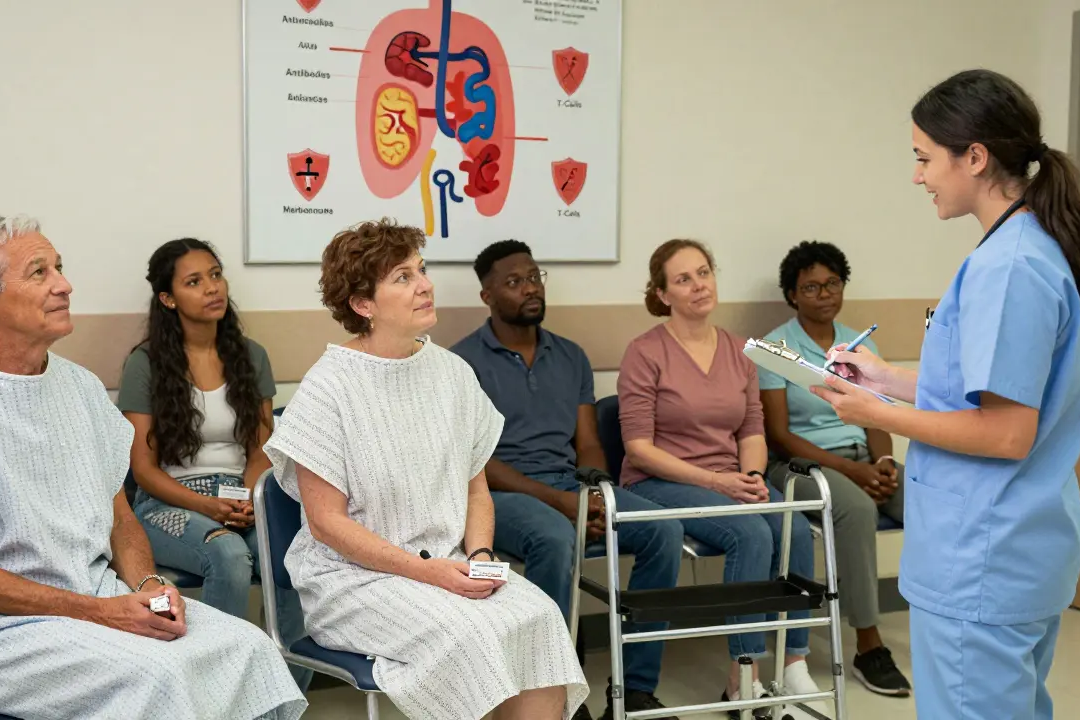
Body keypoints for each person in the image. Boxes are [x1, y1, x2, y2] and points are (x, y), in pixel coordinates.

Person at [0, 215, 307, 720]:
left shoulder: (79, 388)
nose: (64, 283)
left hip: (98, 599)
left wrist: (148, 588)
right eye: (39, 272)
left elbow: (118, 517)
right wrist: (102, 611)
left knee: (249, 649)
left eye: (59, 267)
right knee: (159, 678)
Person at [813, 70, 1080, 719]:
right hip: (1015, 548)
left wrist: (880, 414)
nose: (917, 176)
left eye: (924, 158)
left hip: (981, 557)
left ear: (974, 157)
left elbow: (1006, 434)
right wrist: (884, 379)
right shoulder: (1027, 247)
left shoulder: (1007, 269)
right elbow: (988, 392)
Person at [264, 219, 588, 720]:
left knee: (540, 617)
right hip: (353, 582)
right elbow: (327, 524)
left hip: (449, 560)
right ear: (362, 305)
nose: (425, 284)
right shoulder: (328, 388)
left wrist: (479, 554)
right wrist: (428, 572)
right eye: (402, 277)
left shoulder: (452, 373)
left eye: (422, 269)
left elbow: (476, 489)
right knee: (471, 635)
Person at [451, 240, 683, 720]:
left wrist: (594, 494)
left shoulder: (570, 355)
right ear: (487, 296)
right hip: (499, 492)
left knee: (666, 529)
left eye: (534, 276)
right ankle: (554, 690)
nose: (530, 288)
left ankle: (636, 686)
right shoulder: (461, 363)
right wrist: (561, 503)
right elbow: (477, 461)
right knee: (557, 540)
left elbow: (588, 443)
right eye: (513, 282)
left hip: (567, 485)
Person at [618, 239, 822, 717]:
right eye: (683, 279)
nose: (698, 285)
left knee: (790, 522)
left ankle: (793, 662)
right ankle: (743, 676)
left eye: (704, 272)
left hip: (730, 477)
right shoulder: (644, 352)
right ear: (663, 293)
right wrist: (718, 483)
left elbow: (752, 427)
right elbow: (638, 449)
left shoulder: (739, 350)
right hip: (658, 481)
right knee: (750, 532)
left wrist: (750, 476)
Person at [117, 238, 310, 689]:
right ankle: (215, 692)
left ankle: (282, 699)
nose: (212, 288)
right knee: (228, 553)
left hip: (241, 495)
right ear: (168, 298)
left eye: (216, 275)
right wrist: (208, 507)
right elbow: (142, 470)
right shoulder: (145, 364)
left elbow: (262, 448)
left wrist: (245, 499)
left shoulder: (250, 355)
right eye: (194, 281)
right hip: (167, 502)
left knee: (294, 555)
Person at [756, 240, 911, 697]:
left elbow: (876, 412)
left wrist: (881, 462)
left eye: (832, 284)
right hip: (799, 466)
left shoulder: (859, 343)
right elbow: (779, 437)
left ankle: (946, 617)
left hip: (863, 458)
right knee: (858, 511)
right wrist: (853, 471)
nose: (823, 294)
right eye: (810, 287)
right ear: (791, 295)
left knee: (929, 499)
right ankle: (868, 644)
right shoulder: (774, 348)